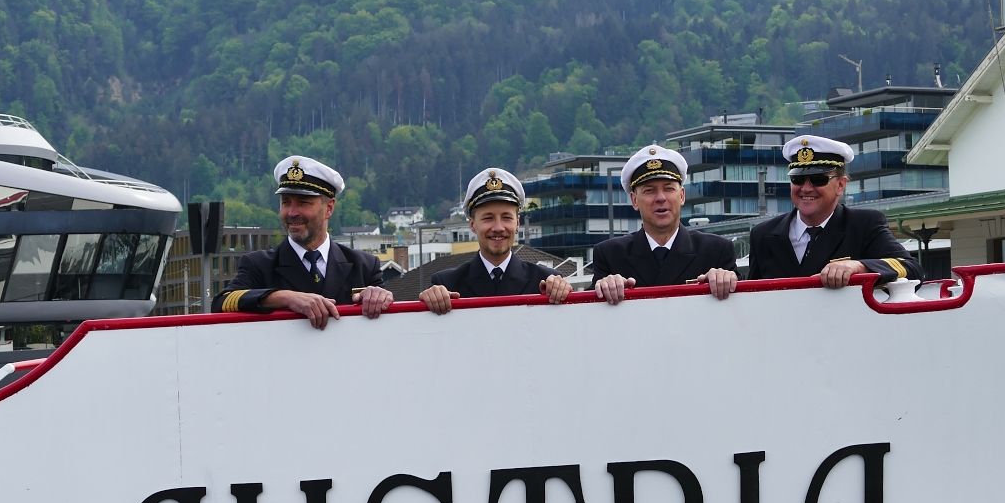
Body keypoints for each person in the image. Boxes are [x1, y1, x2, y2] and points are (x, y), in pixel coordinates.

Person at [212, 155, 393, 328]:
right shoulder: (259, 265)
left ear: (329, 208)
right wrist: (285, 298)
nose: (292, 213)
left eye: (303, 203)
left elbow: (389, 320)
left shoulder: (364, 266)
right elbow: (222, 302)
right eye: (286, 202)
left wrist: (380, 297)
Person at [747, 135, 922, 288]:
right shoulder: (763, 235)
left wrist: (860, 267)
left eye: (818, 179)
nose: (806, 188)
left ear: (840, 185)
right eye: (797, 179)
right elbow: (751, 295)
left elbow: (912, 269)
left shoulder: (863, 225)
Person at [591, 144, 738, 304]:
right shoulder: (611, 255)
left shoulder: (715, 251)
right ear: (634, 200)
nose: (661, 198)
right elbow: (587, 311)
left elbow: (744, 306)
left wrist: (727, 281)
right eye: (649, 191)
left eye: (669, 189)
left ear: (682, 196)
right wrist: (604, 288)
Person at [419, 167, 573, 314]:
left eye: (506, 217)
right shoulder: (447, 285)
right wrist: (429, 302)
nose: (498, 227)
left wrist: (565, 295)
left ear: (517, 223)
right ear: (472, 225)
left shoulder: (545, 283)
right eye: (488, 218)